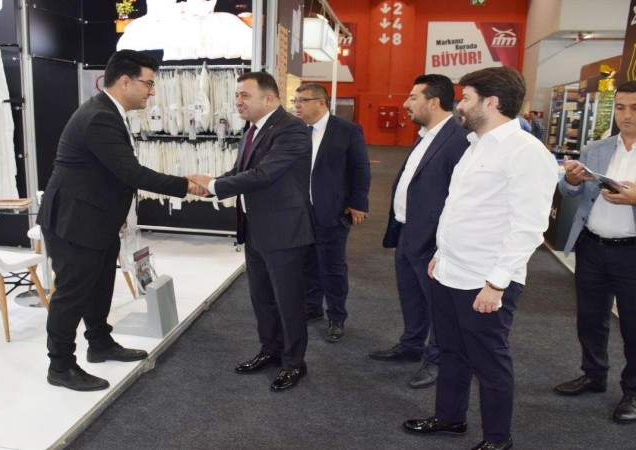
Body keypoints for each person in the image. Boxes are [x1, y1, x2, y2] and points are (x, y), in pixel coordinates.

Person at [403, 67, 558, 450]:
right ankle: (450, 417)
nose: (459, 105)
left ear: (491, 102)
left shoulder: (526, 152)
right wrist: (441, 255)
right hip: (450, 272)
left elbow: (529, 228)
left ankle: (497, 440)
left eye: (467, 98)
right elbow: (459, 208)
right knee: (451, 352)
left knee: (489, 362)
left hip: (486, 281)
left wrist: (497, 283)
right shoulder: (475, 145)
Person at [36, 50, 204, 392]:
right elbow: (130, 172)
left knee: (99, 286)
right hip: (75, 222)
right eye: (148, 84)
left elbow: (112, 174)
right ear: (125, 81)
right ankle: (61, 366)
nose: (152, 92)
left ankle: (100, 344)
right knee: (72, 293)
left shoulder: (107, 111)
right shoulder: (100, 116)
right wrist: (185, 184)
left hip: (95, 219)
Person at [189, 72, 314, 392]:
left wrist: (213, 186)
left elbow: (263, 175)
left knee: (287, 300)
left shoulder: (292, 129)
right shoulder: (253, 130)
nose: (238, 102)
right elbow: (241, 172)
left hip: (284, 232)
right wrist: (211, 185)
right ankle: (270, 350)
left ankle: (293, 362)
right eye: (237, 95)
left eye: (244, 95)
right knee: (262, 297)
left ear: (269, 99)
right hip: (255, 228)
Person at [369, 74, 469, 389]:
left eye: (413, 97)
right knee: (411, 295)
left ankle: (436, 360)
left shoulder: (459, 138)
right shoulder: (426, 135)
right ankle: (411, 345)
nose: (405, 103)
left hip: (433, 239)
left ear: (434, 102)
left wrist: (442, 244)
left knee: (438, 305)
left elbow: (459, 195)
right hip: (407, 231)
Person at [554, 80, 636, 424]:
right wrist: (572, 180)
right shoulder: (597, 148)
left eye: (634, 108)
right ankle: (593, 373)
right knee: (590, 318)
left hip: (631, 252)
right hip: (591, 246)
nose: (626, 115)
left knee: (633, 325)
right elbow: (570, 193)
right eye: (620, 107)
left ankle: (633, 391)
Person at [292, 83, 370, 343]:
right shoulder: (296, 130)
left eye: (302, 100)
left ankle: (336, 317)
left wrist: (359, 203)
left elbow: (360, 168)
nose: (297, 105)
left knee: (332, 267)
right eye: (295, 100)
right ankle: (311, 307)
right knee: (307, 263)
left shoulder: (347, 129)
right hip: (301, 211)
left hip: (331, 210)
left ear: (320, 102)